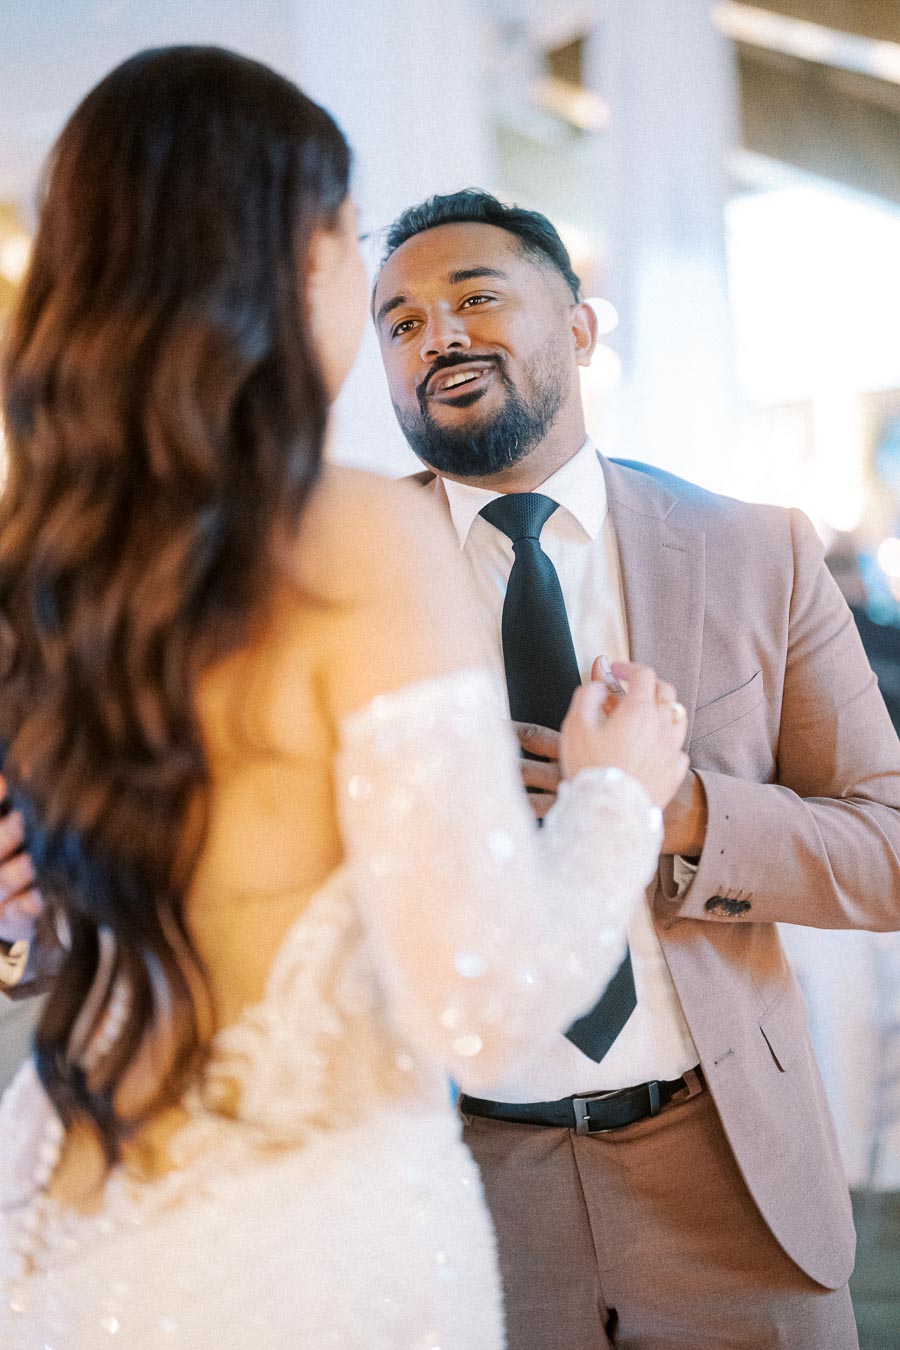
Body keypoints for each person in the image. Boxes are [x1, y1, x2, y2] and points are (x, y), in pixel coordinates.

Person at [0, 49, 689, 1348]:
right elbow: (484, 1007)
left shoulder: (48, 557)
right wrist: (615, 791)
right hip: (298, 1252)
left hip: (60, 1222)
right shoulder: (354, 534)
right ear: (292, 255)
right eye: (353, 245)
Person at [371, 189, 900, 1349]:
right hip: (463, 1182)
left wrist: (681, 811)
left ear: (579, 328)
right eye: (400, 324)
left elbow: (888, 846)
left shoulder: (757, 551)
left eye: (475, 298)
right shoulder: (337, 577)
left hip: (729, 1177)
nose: (438, 337)